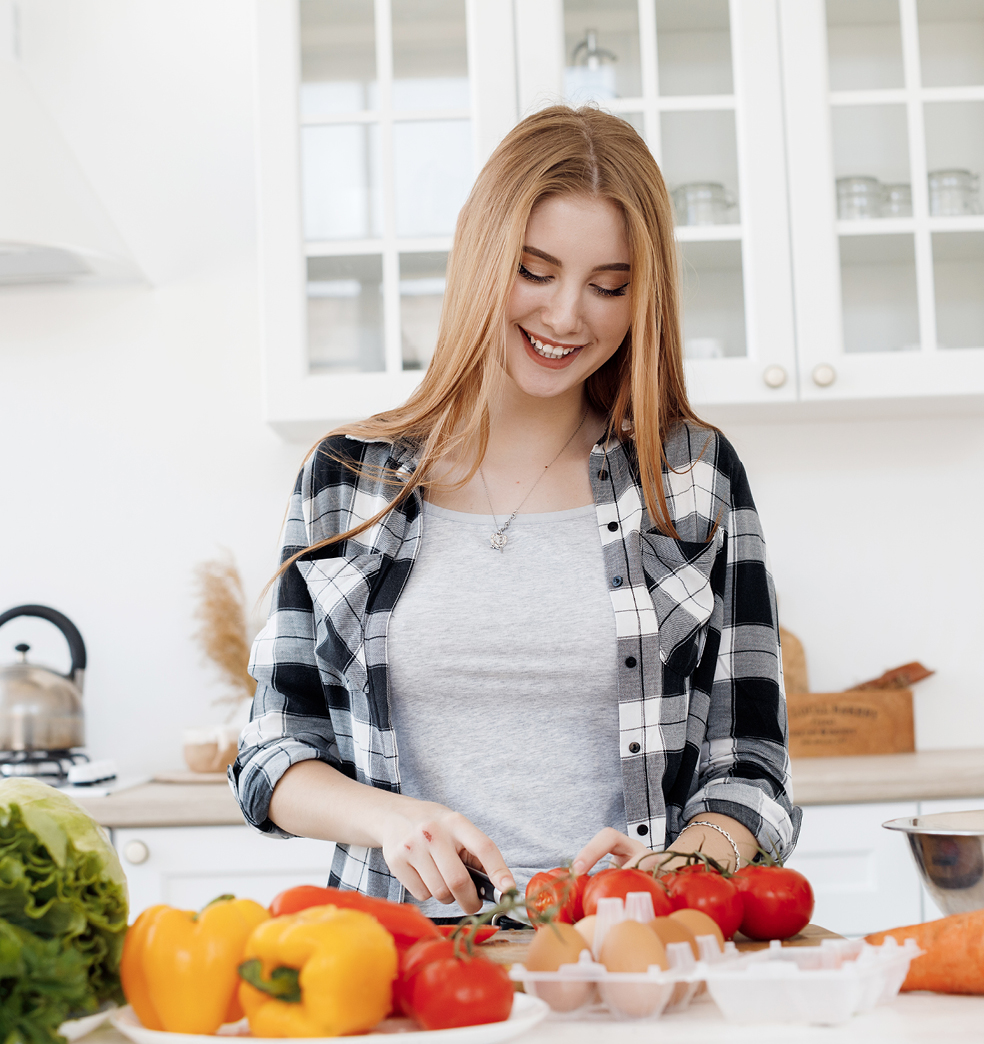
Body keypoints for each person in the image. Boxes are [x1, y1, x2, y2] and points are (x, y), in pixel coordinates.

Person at [231, 106, 800, 917]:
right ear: (480, 256)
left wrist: (669, 870)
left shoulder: (693, 477)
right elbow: (274, 751)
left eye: (609, 285)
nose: (569, 315)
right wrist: (391, 820)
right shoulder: (347, 477)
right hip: (399, 954)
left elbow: (750, 767)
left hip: (624, 951)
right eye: (535, 272)